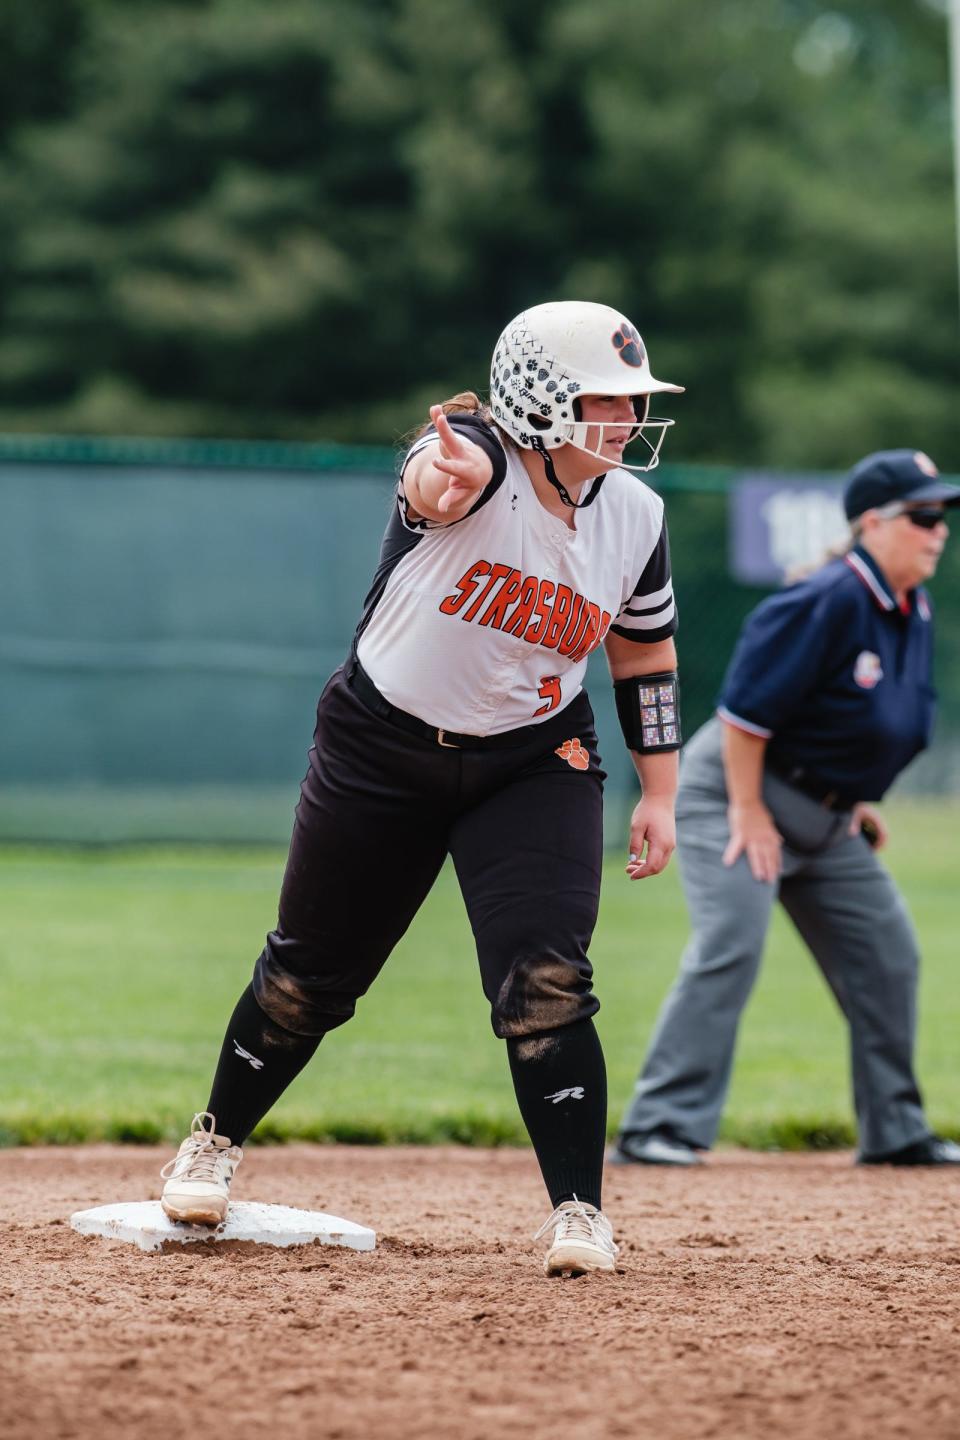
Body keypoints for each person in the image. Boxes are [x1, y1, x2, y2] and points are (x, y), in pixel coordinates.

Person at [159, 300, 686, 1275]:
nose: (626, 417)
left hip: (533, 758)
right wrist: (438, 479)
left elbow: (644, 654)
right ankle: (215, 1140)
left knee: (547, 980)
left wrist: (661, 790)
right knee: (308, 976)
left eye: (632, 399)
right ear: (543, 396)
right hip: (380, 746)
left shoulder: (638, 517)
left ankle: (579, 1211)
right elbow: (435, 479)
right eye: (608, 398)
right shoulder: (478, 461)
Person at [613, 449, 960, 1169]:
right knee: (732, 946)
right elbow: (744, 718)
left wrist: (855, 799)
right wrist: (748, 811)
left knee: (889, 956)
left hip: (825, 819)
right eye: (923, 516)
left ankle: (895, 1132)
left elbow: (874, 717)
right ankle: (659, 1127)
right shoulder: (826, 598)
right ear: (873, 522)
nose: (939, 531)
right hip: (732, 796)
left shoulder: (910, 609)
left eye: (943, 518)